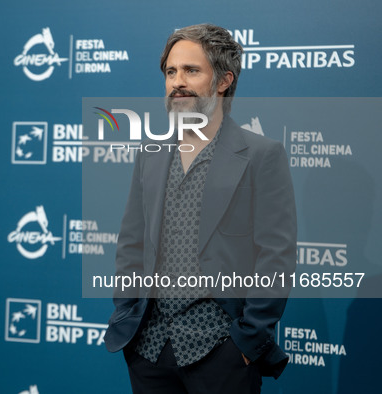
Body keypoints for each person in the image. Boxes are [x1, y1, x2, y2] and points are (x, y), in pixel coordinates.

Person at [103, 24, 297, 394]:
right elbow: (131, 244)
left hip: (223, 353)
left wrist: (246, 343)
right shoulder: (151, 153)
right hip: (149, 350)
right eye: (171, 71)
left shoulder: (261, 155)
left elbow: (276, 257)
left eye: (191, 71)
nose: (178, 81)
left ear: (223, 81)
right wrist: (125, 315)